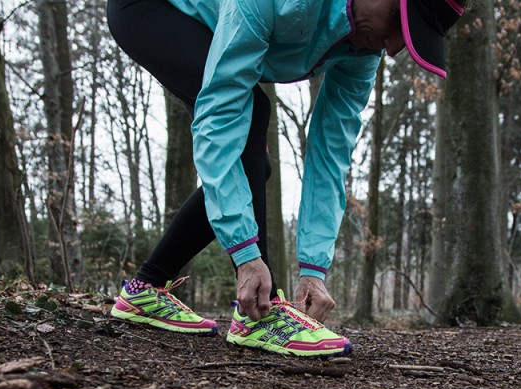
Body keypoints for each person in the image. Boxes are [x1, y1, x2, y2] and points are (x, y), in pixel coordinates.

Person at [106, 0, 466, 357]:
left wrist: (314, 268)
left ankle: (145, 288)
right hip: (149, 8)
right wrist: (246, 255)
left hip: (207, 22)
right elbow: (219, 117)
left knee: (256, 168)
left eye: (410, 39)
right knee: (251, 115)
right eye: (398, 25)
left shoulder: (362, 52)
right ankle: (260, 315)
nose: (393, 48)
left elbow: (330, 156)